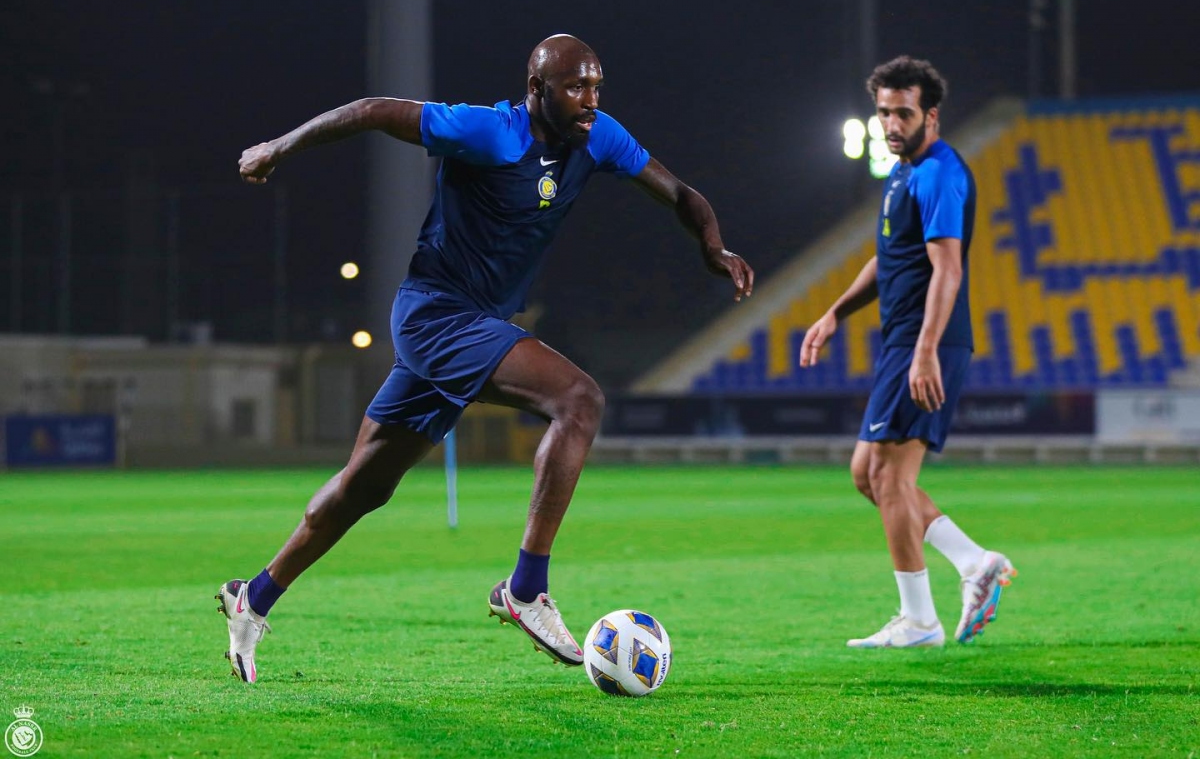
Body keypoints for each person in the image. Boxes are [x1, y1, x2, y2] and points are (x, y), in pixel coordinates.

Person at [216, 34, 755, 682]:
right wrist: (279, 147)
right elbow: (370, 110)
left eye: (596, 86)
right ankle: (526, 591)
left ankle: (255, 596)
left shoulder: (599, 136)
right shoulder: (487, 132)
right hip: (436, 315)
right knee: (579, 400)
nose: (590, 100)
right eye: (575, 88)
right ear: (537, 90)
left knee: (365, 486)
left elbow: (680, 194)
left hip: (469, 328)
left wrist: (714, 247)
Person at [799, 56, 1014, 648]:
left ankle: (920, 621)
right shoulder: (903, 173)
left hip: (929, 341)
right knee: (867, 474)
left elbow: (948, 269)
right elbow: (888, 259)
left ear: (930, 114)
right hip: (905, 341)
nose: (891, 124)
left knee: (890, 479)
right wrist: (835, 312)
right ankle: (973, 562)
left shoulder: (940, 175)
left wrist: (924, 353)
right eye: (884, 113)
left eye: (903, 113)